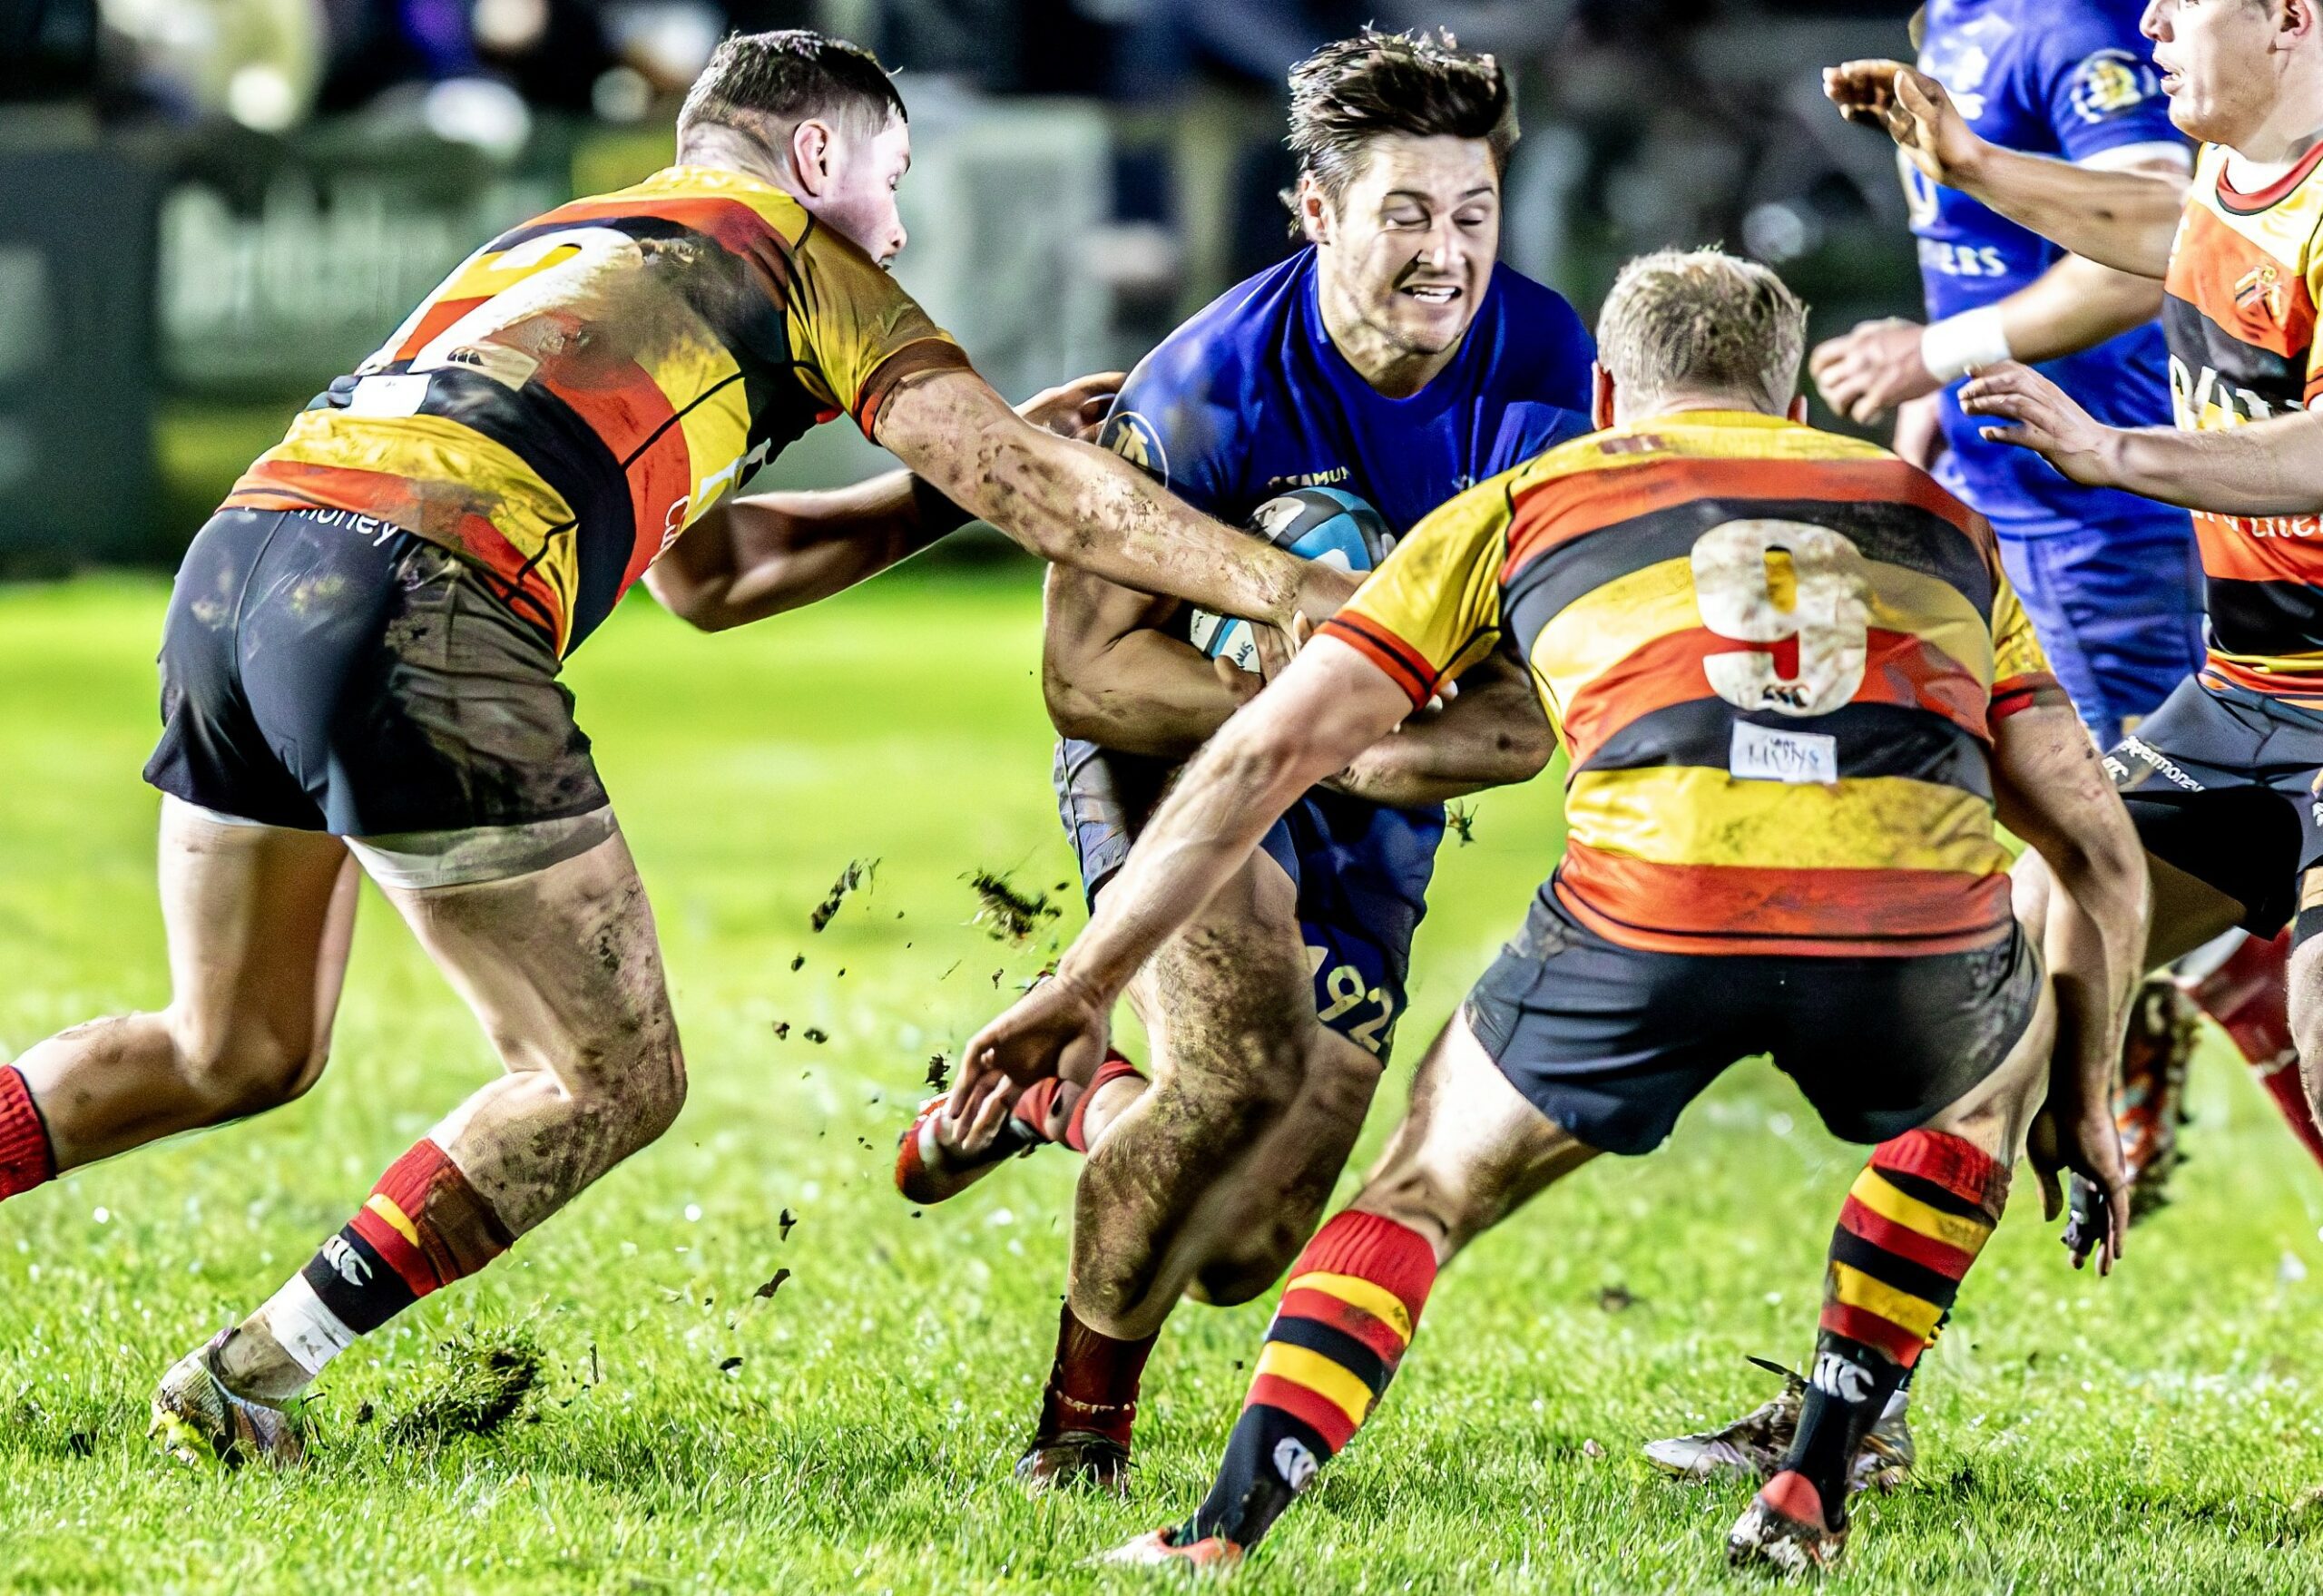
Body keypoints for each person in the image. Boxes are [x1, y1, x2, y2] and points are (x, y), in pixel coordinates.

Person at [0, 28, 1361, 1468]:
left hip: (240, 573)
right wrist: (1291, 591)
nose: (898, 227)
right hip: (418, 604)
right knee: (607, 1076)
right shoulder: (800, 260)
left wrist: (931, 499)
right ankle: (251, 1374)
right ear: (816, 155)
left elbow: (708, 577)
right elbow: (1048, 495)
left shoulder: (571, 243)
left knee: (234, 1045)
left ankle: (237, 1361)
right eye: (891, 177)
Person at [946, 248, 2147, 1573]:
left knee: (1423, 1193)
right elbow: (2098, 852)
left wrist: (1083, 981)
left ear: (1607, 393)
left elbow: (1260, 756)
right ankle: (1813, 1483)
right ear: (1795, 404)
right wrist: (2087, 1095)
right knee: (1984, 1080)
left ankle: (1222, 1535)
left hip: (1652, 914)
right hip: (1906, 929)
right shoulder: (1942, 521)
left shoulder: (1526, 500)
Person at [889, 28, 1593, 1493]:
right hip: (1173, 761)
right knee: (1242, 1065)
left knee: (1246, 1245)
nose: (1446, 254)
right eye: (1406, 214)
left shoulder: (1545, 368)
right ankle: (1079, 1434)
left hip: (1375, 802)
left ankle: (1069, 1099)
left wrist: (1356, 746)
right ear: (1315, 209)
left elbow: (1525, 718)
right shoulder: (1207, 384)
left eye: (1473, 213)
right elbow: (1087, 676)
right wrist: (1297, 716)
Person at [1642, 0, 2323, 1492]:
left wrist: (2112, 449)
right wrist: (1969, 160)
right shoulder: (2238, 171)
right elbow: (2149, 220)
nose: (2151, 16)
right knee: (1991, 999)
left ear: (2287, 15)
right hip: (2247, 699)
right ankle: (1841, 1431)